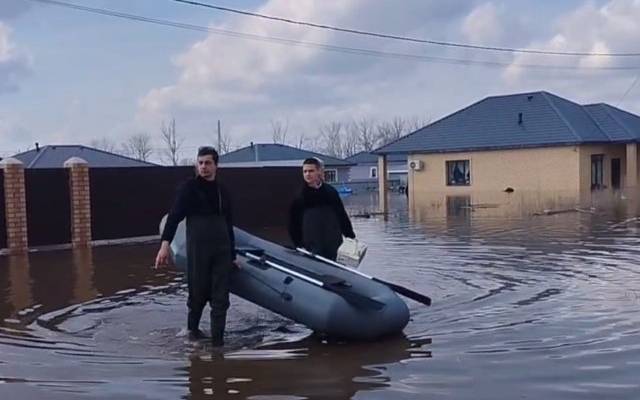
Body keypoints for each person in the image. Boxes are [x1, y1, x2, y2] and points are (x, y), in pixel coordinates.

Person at [155, 146, 237, 346]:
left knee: (220, 299)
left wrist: (233, 255)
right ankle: (192, 334)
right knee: (197, 295)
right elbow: (174, 217)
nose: (203, 167)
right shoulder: (189, 188)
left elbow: (228, 223)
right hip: (198, 250)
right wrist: (164, 246)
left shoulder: (222, 191)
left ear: (216, 165)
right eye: (200, 163)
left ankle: (218, 346)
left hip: (221, 250)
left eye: (208, 163)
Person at [288, 157, 356, 261]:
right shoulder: (300, 196)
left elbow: (341, 215)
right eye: (305, 171)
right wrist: (298, 245)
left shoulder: (330, 192)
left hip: (333, 244)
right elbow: (293, 223)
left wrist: (350, 236)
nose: (307, 174)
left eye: (311, 171)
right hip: (311, 248)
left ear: (319, 171)